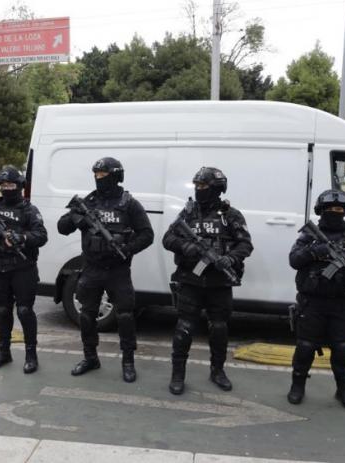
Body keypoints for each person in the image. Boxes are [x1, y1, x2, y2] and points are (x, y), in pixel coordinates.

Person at [57, 157, 154, 382]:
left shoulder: (129, 204)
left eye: (103, 175)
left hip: (118, 270)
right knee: (87, 315)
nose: (99, 179)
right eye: (96, 175)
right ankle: (90, 358)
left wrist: (128, 249)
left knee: (125, 316)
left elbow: (147, 234)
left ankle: (128, 362)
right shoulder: (88, 202)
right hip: (91, 268)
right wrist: (75, 218)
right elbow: (62, 227)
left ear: (116, 176)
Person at [162, 167, 253, 394]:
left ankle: (217, 371)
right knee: (184, 328)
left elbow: (245, 244)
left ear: (217, 189)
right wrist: (186, 246)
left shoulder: (230, 215)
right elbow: (168, 238)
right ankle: (177, 375)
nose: (199, 190)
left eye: (203, 186)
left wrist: (230, 258)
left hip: (219, 283)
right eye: (197, 186)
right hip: (190, 280)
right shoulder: (188, 213)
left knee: (219, 329)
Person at [286, 190, 345, 409]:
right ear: (321, 211)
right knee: (305, 346)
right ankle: (297, 386)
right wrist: (314, 252)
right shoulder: (309, 236)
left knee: (343, 348)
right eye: (330, 209)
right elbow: (294, 260)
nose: (334, 212)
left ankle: (344, 389)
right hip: (312, 302)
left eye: (339, 209)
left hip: (342, 302)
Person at [0, 166, 48, 374]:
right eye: (4, 185)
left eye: (11, 185)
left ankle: (31, 355)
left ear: (20, 186)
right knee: (2, 311)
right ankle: (4, 352)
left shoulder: (29, 210)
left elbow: (42, 236)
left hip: (22, 268)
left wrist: (22, 238)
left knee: (25, 311)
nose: (7, 188)